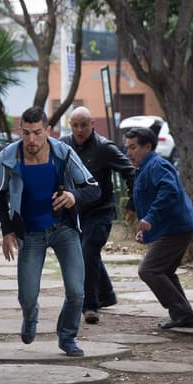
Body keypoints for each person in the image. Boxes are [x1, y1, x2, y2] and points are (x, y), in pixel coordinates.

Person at [0, 106, 99, 357]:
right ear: (20, 131)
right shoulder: (8, 157)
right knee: (27, 297)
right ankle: (30, 317)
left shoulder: (63, 153)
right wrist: (7, 231)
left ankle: (67, 336)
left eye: (37, 132)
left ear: (48, 131)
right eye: (26, 133)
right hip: (29, 233)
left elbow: (93, 187)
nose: (31, 139)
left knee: (76, 292)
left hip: (63, 229)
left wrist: (74, 196)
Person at [61, 106, 135, 324]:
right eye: (75, 125)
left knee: (87, 252)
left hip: (100, 211)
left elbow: (130, 171)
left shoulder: (104, 147)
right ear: (70, 125)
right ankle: (107, 294)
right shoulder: (63, 145)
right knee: (88, 253)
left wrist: (132, 202)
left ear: (92, 124)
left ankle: (90, 306)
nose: (79, 130)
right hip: (75, 212)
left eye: (84, 125)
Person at [124, 125, 193, 329]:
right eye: (127, 148)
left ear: (147, 147)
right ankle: (183, 316)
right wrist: (145, 229)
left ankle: (183, 313)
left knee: (149, 270)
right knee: (165, 271)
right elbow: (149, 201)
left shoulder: (156, 165)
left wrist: (150, 218)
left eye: (132, 147)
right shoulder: (144, 168)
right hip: (174, 228)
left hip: (176, 228)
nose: (128, 153)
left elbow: (169, 191)